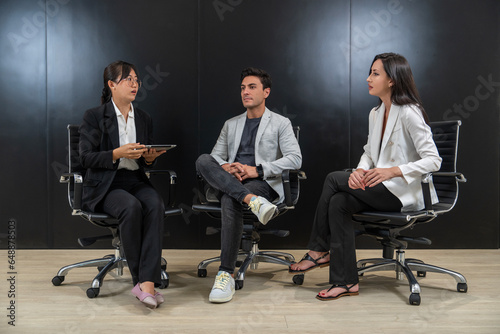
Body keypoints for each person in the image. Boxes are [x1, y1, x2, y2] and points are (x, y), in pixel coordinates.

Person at [289, 53, 442, 301]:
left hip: (403, 192)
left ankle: (318, 250)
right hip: (380, 187)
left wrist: (392, 171)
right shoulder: (376, 112)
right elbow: (369, 153)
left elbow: (434, 160)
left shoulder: (410, 112)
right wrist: (360, 171)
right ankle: (346, 281)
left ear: (391, 80)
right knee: (339, 203)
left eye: (375, 73)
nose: (368, 78)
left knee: (332, 178)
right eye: (370, 73)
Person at [196, 67, 302, 303]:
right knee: (203, 160)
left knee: (229, 197)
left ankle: (226, 273)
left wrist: (257, 169)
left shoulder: (280, 123)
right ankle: (252, 202)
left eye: (251, 87)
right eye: (243, 87)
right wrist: (228, 167)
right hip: (233, 180)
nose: (245, 92)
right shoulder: (231, 124)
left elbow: (295, 159)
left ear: (266, 92)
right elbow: (215, 156)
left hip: (262, 182)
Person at [79, 60, 167, 309]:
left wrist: (148, 158)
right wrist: (117, 153)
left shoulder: (143, 117)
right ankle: (144, 281)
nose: (135, 84)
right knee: (131, 207)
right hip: (106, 184)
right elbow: (84, 158)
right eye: (129, 79)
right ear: (112, 84)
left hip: (134, 179)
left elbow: (144, 160)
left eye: (137, 80)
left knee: (155, 204)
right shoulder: (94, 116)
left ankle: (146, 284)